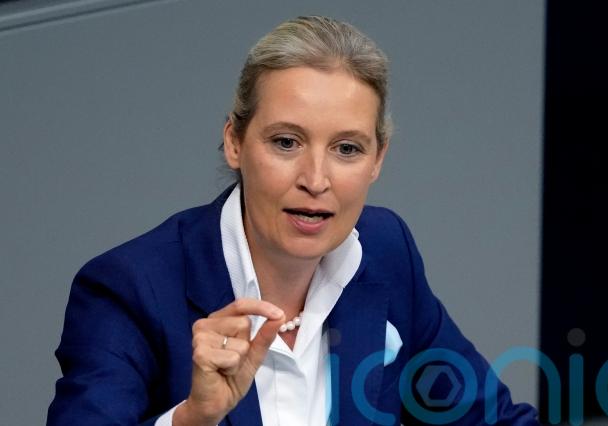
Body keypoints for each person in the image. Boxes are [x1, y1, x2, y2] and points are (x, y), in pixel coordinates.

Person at [47, 16, 539, 425]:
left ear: (378, 159)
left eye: (347, 148)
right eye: (286, 142)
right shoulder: (129, 288)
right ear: (234, 142)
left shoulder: (387, 251)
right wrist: (194, 418)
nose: (316, 179)